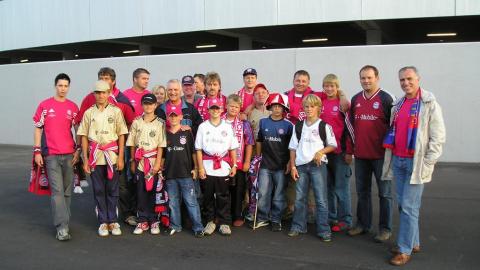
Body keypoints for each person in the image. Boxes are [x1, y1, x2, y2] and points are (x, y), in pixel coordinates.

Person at [382, 66, 445, 266]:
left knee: (409, 207)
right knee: (405, 206)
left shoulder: (429, 104)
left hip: (416, 163)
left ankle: (404, 249)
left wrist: (428, 162)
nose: (405, 83)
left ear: (418, 79)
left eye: (409, 79)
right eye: (402, 80)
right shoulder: (398, 104)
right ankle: (413, 242)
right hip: (399, 160)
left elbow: (438, 137)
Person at [347, 65, 394, 242]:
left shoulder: (386, 98)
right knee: (362, 192)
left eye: (369, 77)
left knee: (385, 194)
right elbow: (351, 128)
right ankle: (362, 224)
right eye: (363, 78)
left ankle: (385, 228)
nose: (366, 81)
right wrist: (350, 151)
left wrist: (391, 151)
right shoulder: (356, 99)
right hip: (361, 156)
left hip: (382, 157)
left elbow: (394, 127)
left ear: (377, 78)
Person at [77, 80, 129, 237]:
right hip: (95, 156)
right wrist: (85, 159)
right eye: (97, 92)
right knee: (99, 189)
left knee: (113, 189)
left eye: (103, 92)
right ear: (94, 94)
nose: (100, 95)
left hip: (112, 156)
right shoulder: (88, 113)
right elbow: (84, 136)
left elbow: (121, 134)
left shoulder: (116, 111)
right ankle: (103, 222)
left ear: (108, 93)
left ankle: (113, 220)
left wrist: (120, 157)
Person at [32, 73, 80, 241]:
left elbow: (78, 130)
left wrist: (78, 150)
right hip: (51, 155)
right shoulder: (45, 105)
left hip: (69, 155)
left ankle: (64, 223)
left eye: (66, 86)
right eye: (60, 85)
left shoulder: (73, 107)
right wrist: (37, 151)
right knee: (57, 192)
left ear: (69, 87)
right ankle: (62, 227)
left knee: (67, 192)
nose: (63, 89)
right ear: (55, 86)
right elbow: (38, 128)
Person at [288, 94, 337, 242]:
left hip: (318, 166)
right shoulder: (298, 126)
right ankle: (298, 226)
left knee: (321, 199)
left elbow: (332, 145)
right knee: (300, 198)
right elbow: (292, 148)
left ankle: (323, 229)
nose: (309, 109)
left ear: (318, 108)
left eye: (312, 106)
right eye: (306, 106)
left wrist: (321, 152)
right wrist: (293, 166)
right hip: (301, 166)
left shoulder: (324, 126)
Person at [195, 97, 239, 236]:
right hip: (207, 166)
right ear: (208, 110)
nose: (215, 111)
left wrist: (234, 165)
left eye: (217, 108)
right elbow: (198, 149)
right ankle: (210, 221)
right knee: (207, 196)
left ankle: (224, 222)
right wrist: (200, 167)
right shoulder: (203, 126)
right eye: (212, 108)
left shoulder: (227, 126)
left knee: (223, 196)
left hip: (223, 166)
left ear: (221, 110)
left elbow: (232, 148)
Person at [126, 94, 166, 235]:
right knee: (141, 191)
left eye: (151, 104)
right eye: (145, 104)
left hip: (154, 161)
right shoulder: (137, 122)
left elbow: (161, 145)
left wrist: (158, 164)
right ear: (142, 105)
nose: (148, 106)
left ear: (155, 105)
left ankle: (154, 220)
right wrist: (132, 161)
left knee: (154, 191)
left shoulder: (160, 123)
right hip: (140, 162)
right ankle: (142, 220)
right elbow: (131, 143)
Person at [163, 104, 205, 237]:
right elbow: (163, 154)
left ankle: (198, 227)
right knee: (173, 203)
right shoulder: (165, 134)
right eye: (171, 116)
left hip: (186, 173)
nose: (174, 118)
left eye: (176, 115)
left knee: (191, 202)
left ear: (181, 117)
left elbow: (193, 152)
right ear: (167, 117)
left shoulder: (187, 132)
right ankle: (175, 225)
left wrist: (196, 168)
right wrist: (161, 170)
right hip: (170, 174)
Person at [320, 74, 355, 232]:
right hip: (325, 152)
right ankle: (331, 216)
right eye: (326, 86)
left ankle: (345, 219)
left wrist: (349, 151)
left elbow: (349, 128)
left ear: (337, 87)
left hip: (340, 152)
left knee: (342, 187)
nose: (329, 89)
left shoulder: (344, 104)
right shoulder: (321, 102)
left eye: (332, 86)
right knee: (329, 187)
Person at [254, 93, 293, 231]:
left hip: (281, 166)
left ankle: (276, 219)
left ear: (284, 109)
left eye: (279, 107)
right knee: (263, 192)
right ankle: (263, 217)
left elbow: (292, 147)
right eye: (274, 106)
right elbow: (259, 141)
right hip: (265, 164)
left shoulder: (289, 125)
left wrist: (290, 163)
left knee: (279, 194)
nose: (276, 109)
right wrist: (258, 157)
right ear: (270, 107)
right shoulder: (263, 122)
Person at [224, 94, 255, 227]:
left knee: (238, 189)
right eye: (231, 106)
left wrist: (247, 161)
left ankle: (237, 214)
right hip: (221, 162)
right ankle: (222, 214)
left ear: (240, 108)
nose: (234, 109)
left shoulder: (244, 123)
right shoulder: (218, 120)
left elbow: (249, 143)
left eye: (237, 107)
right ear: (226, 106)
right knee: (222, 190)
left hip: (239, 162)